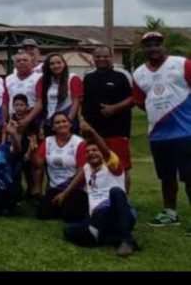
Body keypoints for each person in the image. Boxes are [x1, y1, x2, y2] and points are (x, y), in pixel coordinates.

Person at [132, 31, 191, 231]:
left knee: (190, 177)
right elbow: (140, 101)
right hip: (158, 135)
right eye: (149, 45)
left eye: (157, 44)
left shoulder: (181, 64)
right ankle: (170, 213)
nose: (153, 48)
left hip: (186, 132)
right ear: (144, 49)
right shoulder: (139, 73)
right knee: (166, 177)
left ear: (163, 46)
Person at [59, 119, 140, 257]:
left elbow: (106, 152)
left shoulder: (112, 165)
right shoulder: (87, 168)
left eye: (95, 150)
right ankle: (109, 238)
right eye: (88, 152)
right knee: (68, 230)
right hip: (99, 217)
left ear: (102, 153)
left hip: (118, 212)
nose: (91, 153)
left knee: (116, 192)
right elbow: (76, 180)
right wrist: (64, 194)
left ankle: (126, 240)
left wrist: (92, 131)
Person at [82, 45, 134, 191]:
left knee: (121, 166)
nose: (102, 59)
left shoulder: (121, 76)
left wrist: (114, 108)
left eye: (105, 56)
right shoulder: (88, 77)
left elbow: (133, 98)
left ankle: (123, 199)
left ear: (111, 57)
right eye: (98, 56)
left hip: (117, 130)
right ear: (93, 58)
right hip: (93, 132)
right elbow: (83, 102)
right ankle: (98, 198)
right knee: (94, 166)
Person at [33, 112, 88, 222]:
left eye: (64, 121)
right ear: (53, 127)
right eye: (57, 123)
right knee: (42, 214)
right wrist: (34, 149)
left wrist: (64, 194)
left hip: (74, 188)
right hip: (55, 187)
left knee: (70, 216)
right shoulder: (48, 141)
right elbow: (38, 165)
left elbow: (82, 171)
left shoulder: (79, 143)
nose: (61, 124)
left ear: (70, 124)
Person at [23, 53, 83, 136]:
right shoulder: (43, 80)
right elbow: (40, 103)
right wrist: (27, 120)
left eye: (59, 63)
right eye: (52, 64)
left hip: (68, 121)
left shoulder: (73, 78)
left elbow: (76, 102)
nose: (56, 66)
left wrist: (68, 121)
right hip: (50, 122)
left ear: (64, 64)